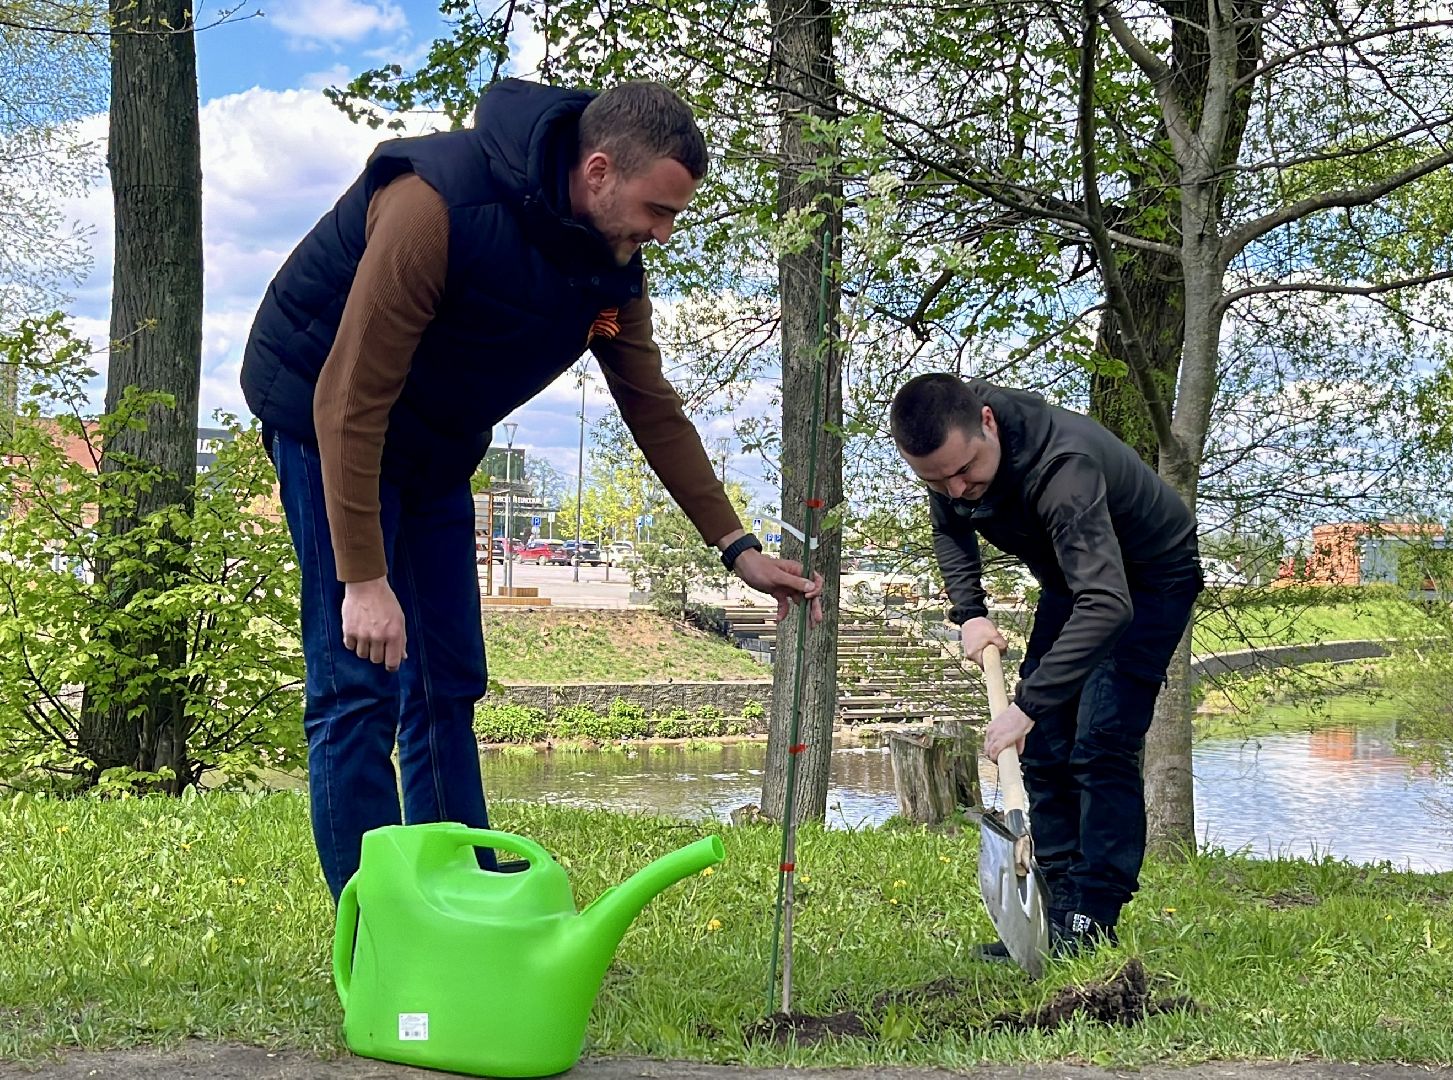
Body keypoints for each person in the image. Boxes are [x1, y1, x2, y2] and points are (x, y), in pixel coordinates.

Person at [241, 79, 821, 902]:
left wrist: (738, 548)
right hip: (320, 415)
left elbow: (650, 407)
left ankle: (461, 895)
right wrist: (364, 579)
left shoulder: (611, 272)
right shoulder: (433, 206)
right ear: (597, 172)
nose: (661, 232)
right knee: (356, 683)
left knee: (447, 678)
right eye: (657, 210)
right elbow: (349, 398)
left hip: (435, 442)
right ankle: (375, 933)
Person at [888, 373, 1201, 955]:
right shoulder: (950, 452)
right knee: (1047, 743)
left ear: (987, 420)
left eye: (966, 471)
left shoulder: (1064, 468)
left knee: (1101, 740)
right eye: (936, 479)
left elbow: (1108, 605)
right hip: (1073, 578)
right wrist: (970, 613)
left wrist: (1026, 706)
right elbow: (950, 527)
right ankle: (1053, 906)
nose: (958, 489)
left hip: (1152, 579)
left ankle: (1092, 919)